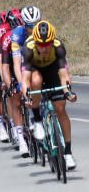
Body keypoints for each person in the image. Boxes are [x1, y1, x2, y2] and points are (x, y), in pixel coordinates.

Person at [22, 20, 78, 170]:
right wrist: (26, 96)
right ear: (36, 42)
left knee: (60, 109)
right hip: (35, 70)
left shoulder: (58, 47)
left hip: (53, 70)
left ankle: (67, 152)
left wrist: (68, 92)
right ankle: (38, 120)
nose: (45, 48)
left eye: (48, 44)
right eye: (41, 44)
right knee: (36, 80)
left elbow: (63, 74)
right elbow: (25, 79)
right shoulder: (28, 49)